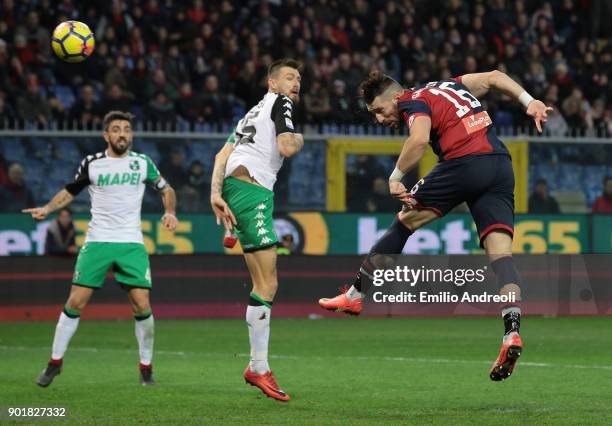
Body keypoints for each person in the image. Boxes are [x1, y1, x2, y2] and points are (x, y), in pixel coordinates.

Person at [319, 70, 552, 382]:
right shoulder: (450, 85)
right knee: (501, 256)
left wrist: (394, 178)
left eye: (379, 110)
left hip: (464, 162)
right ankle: (511, 333)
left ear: (393, 97)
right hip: (499, 164)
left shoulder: (411, 100)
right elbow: (495, 76)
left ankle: (356, 294)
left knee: (404, 222)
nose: (379, 118)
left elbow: (417, 140)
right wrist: (530, 101)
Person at [23, 111, 178, 387]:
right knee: (75, 302)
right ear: (106, 135)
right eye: (116, 129)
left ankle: (146, 369)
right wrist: (47, 208)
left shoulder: (143, 163)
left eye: (127, 129)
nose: (122, 134)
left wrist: (170, 211)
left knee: (142, 305)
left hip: (131, 243)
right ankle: (54, 363)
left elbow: (166, 189)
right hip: (97, 242)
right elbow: (71, 190)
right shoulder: (92, 163)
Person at [210, 59, 303, 401]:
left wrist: (215, 193)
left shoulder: (251, 112)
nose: (296, 84)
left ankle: (258, 366)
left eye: (299, 79)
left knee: (263, 282)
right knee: (268, 283)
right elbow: (287, 147)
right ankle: (258, 368)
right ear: (273, 83)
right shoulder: (281, 103)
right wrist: (300, 139)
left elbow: (222, 155)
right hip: (252, 191)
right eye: (290, 77)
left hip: (240, 188)